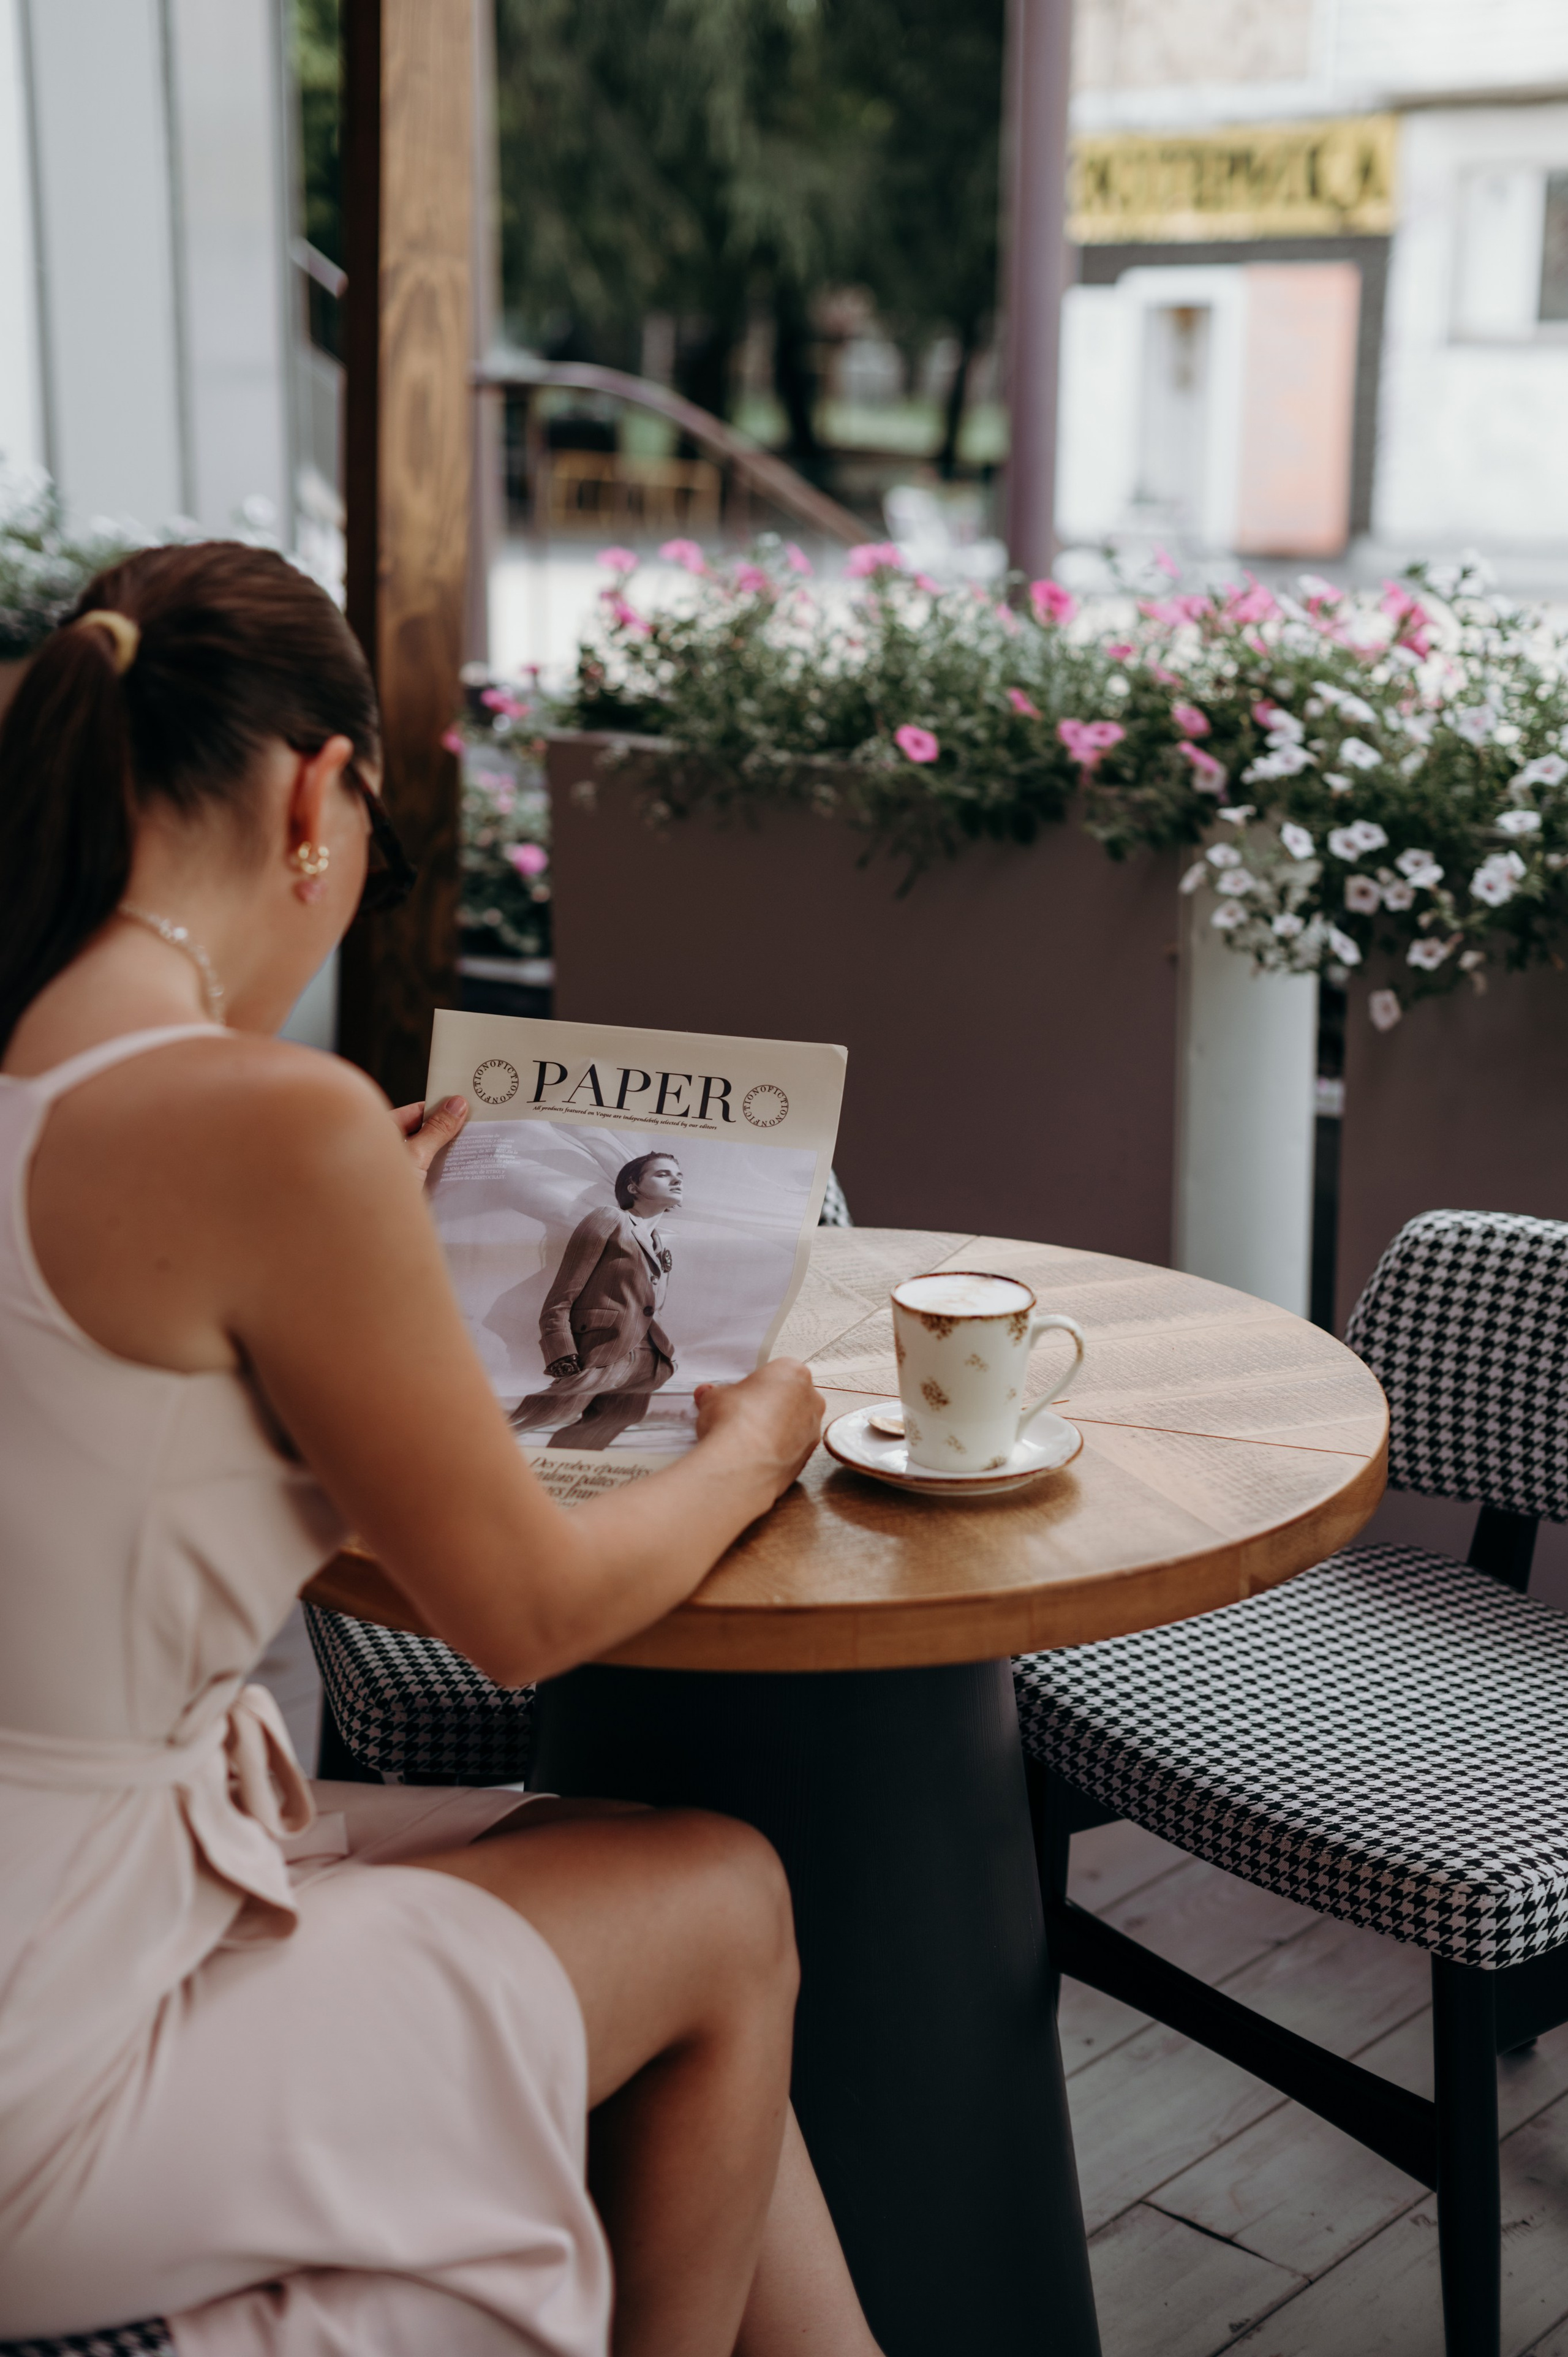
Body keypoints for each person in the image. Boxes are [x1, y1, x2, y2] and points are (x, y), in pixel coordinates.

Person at [0, 543, 883, 2357]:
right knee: (724, 1894)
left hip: (61, 1888)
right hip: (50, 2028)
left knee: (625, 1864)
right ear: (316, 794)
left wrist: (341, 1281)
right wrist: (755, 1440)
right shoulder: (261, 1118)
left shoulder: (42, 1073)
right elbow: (524, 1615)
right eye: (375, 855)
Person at [511, 1151, 682, 1449]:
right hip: (601, 1352)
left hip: (649, 1358)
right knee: (529, 1425)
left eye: (678, 1175)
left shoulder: (660, 1244)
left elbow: (652, 1307)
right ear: (633, 1188)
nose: (676, 1179)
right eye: (662, 1174)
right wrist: (562, 1356)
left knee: (594, 1438)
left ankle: (558, 1485)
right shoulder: (609, 1218)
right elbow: (562, 1295)